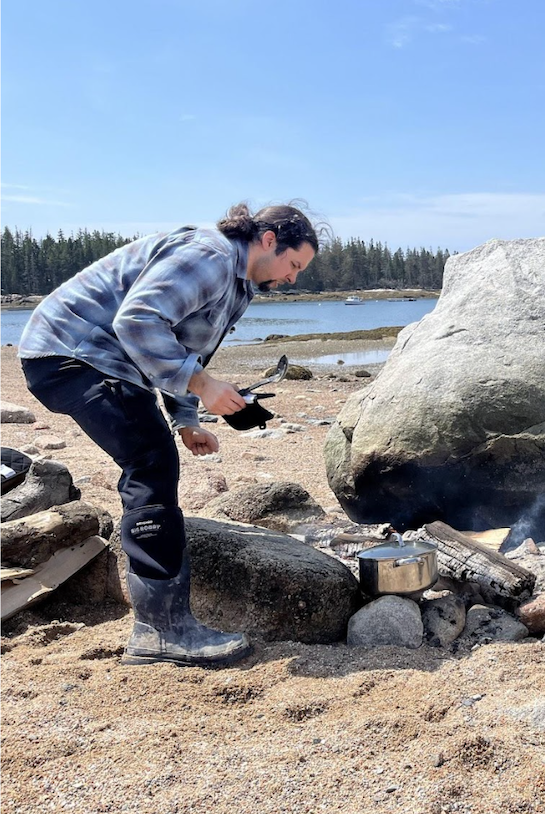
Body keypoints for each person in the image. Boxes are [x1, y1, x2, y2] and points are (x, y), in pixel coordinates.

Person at [17, 202, 320, 667]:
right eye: (294, 264)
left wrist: (186, 419)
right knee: (150, 462)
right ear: (267, 240)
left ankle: (162, 624)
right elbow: (137, 321)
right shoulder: (211, 255)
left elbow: (184, 347)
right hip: (71, 354)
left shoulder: (240, 286)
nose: (293, 277)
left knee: (155, 454)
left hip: (108, 362)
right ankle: (160, 631)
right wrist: (200, 386)